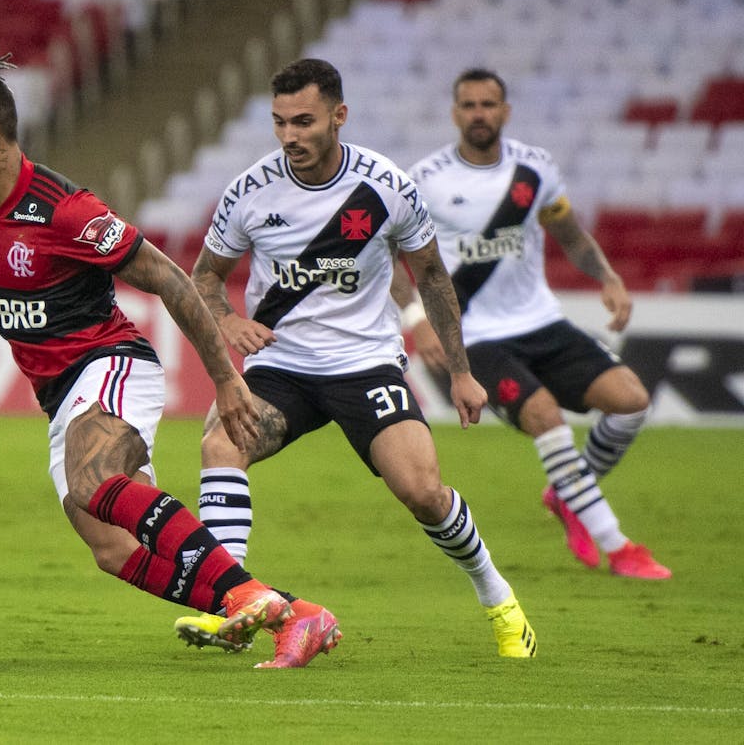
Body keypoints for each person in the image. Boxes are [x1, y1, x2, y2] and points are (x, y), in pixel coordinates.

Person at [0, 36, 333, 667]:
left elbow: (169, 277)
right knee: (109, 547)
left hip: (110, 363)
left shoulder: (66, 212)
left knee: (94, 482)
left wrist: (226, 381)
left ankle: (253, 599)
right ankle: (299, 615)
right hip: (60, 395)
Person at [174, 57, 538, 660]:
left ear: (339, 116)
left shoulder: (385, 187)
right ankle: (230, 603)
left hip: (365, 364)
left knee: (423, 492)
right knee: (220, 444)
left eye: (304, 121)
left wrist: (464, 372)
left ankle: (498, 598)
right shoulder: (250, 190)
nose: (290, 136)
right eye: (279, 122)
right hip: (282, 365)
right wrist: (231, 319)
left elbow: (432, 277)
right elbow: (204, 277)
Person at [402, 68, 670, 579]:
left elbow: (568, 234)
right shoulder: (425, 179)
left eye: (488, 104)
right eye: (469, 105)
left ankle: (568, 492)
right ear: (455, 112)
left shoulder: (535, 169)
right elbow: (390, 255)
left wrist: (608, 276)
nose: (479, 113)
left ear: (505, 111)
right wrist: (417, 317)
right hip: (474, 335)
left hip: (541, 321)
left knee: (632, 401)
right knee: (547, 417)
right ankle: (618, 546)